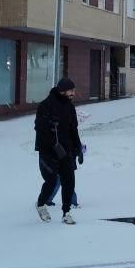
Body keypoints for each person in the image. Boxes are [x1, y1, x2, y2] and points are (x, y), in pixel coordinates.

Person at [34, 77, 82, 224]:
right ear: (62, 91)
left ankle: (66, 212)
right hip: (47, 150)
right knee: (52, 180)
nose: (73, 93)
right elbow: (38, 127)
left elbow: (73, 129)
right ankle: (41, 204)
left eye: (74, 90)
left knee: (69, 181)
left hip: (65, 150)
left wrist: (78, 148)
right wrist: (50, 127)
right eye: (71, 90)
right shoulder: (45, 105)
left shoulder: (70, 107)